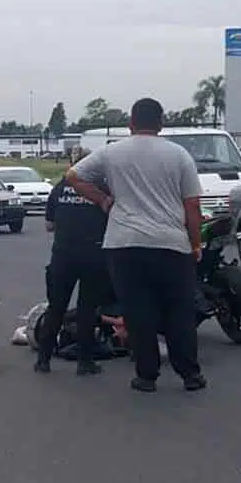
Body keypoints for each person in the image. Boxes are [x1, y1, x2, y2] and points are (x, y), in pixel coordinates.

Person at [65, 97, 206, 393]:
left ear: (130, 123)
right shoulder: (179, 155)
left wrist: (104, 200)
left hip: (124, 244)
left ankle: (146, 376)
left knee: (138, 312)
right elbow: (192, 206)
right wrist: (195, 244)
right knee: (179, 311)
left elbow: (73, 176)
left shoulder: (111, 152)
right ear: (161, 123)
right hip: (171, 244)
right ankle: (190, 374)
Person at [35, 171, 111, 375]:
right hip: (93, 253)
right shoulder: (102, 189)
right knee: (87, 309)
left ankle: (43, 360)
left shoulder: (59, 188)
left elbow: (49, 225)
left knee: (56, 308)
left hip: (63, 254)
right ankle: (85, 362)